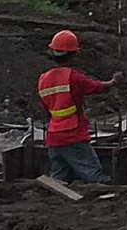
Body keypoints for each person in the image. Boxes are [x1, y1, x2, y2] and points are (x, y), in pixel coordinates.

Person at [36, 30, 122, 182]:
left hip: (53, 137)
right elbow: (97, 87)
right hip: (72, 135)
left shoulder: (43, 79)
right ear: (73, 54)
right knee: (94, 175)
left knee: (58, 179)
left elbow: (45, 110)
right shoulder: (72, 77)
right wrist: (114, 81)